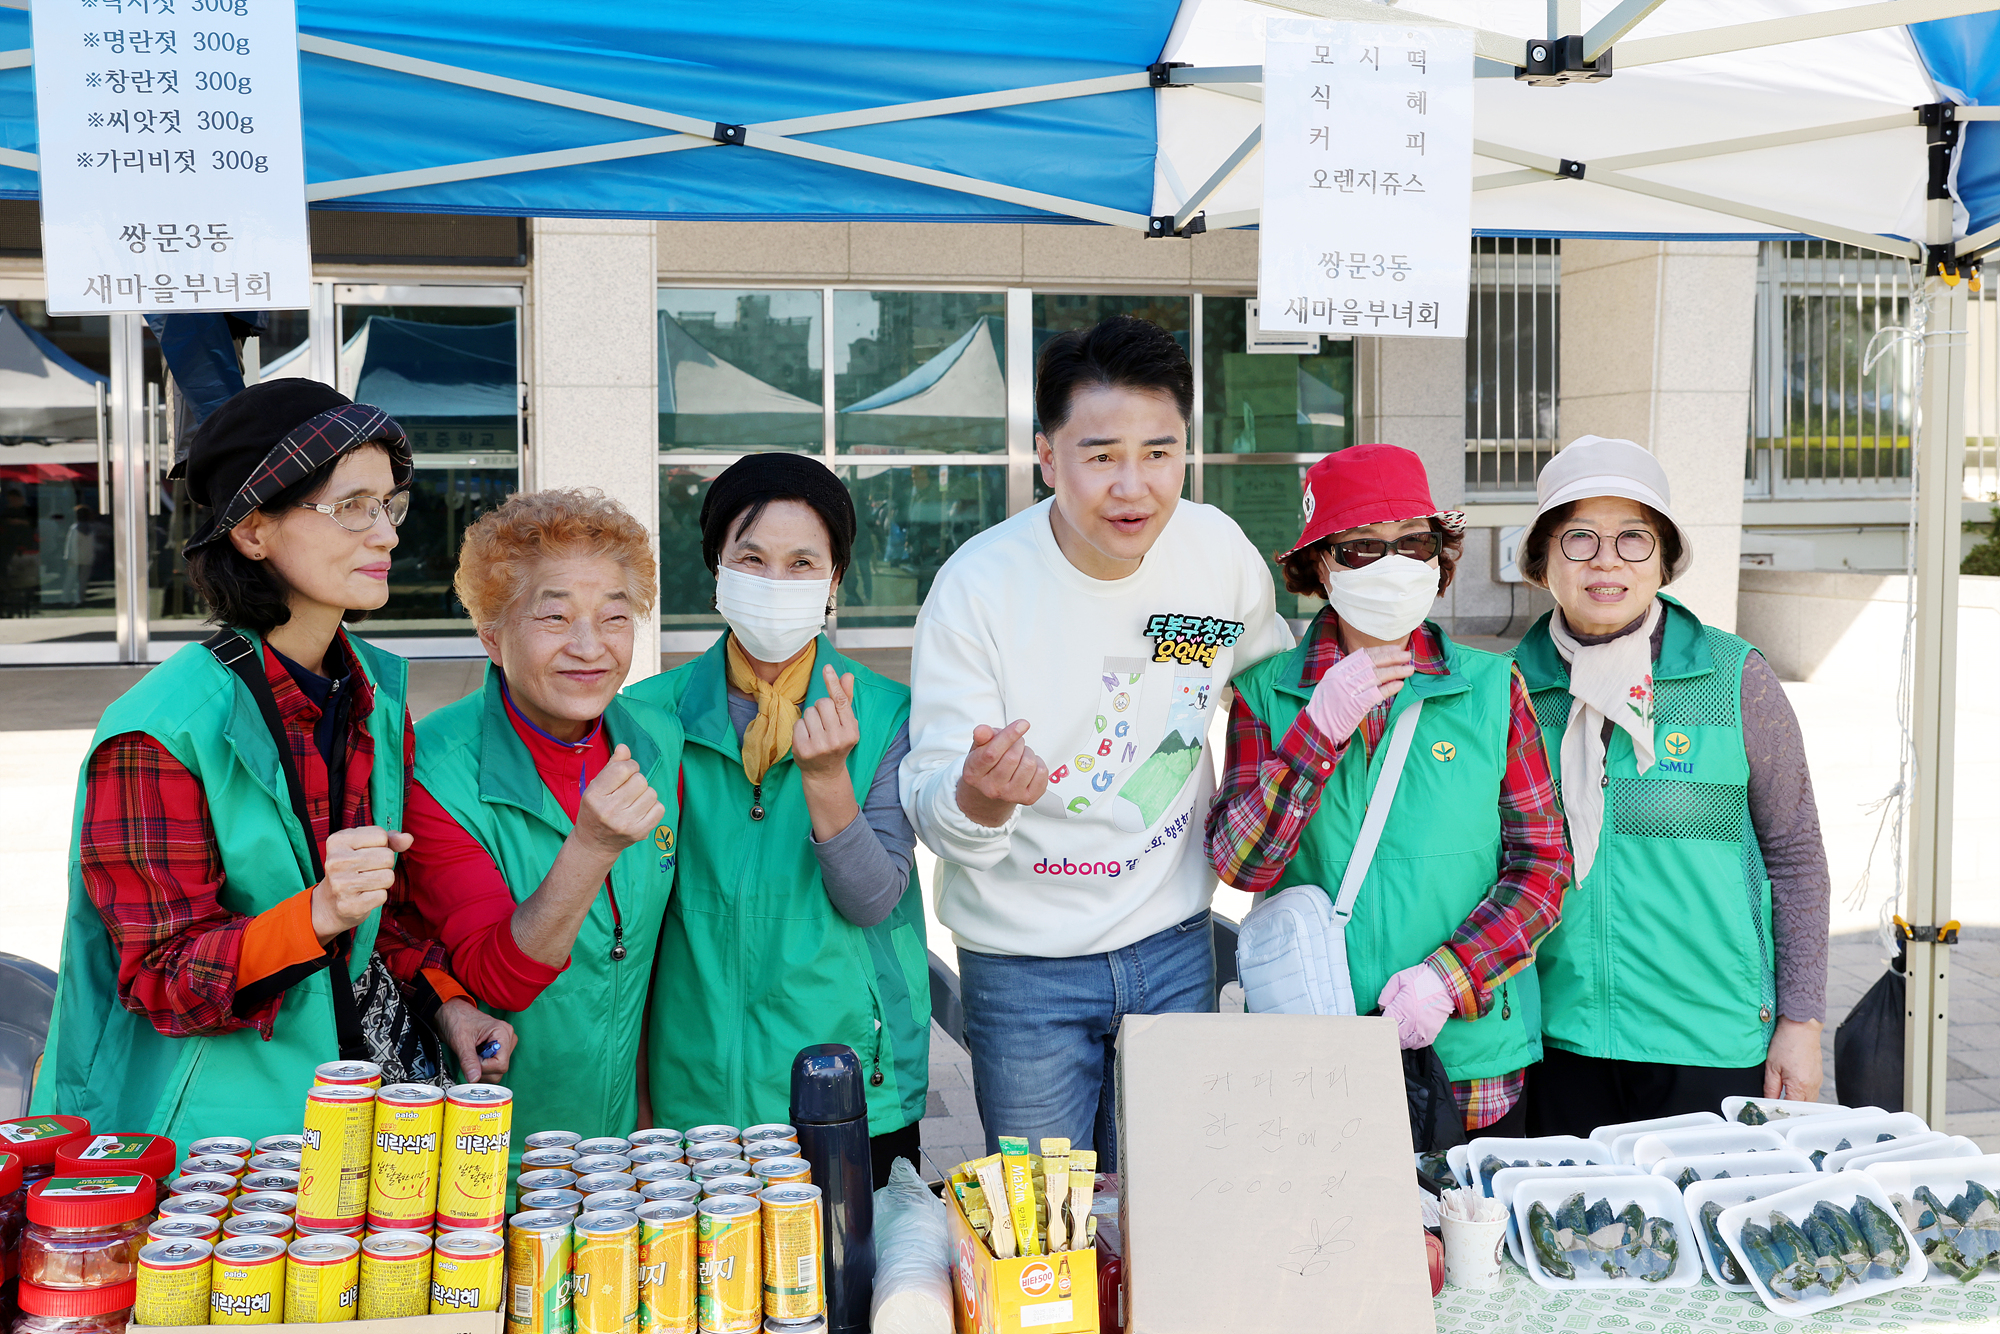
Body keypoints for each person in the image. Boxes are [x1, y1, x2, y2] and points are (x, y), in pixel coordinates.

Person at [33, 379, 514, 1146]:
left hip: (360, 1122)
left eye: (389, 505)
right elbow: (162, 977)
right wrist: (317, 912)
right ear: (254, 531)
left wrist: (447, 1002)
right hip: (209, 1156)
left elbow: (378, 919)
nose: (387, 535)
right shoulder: (161, 730)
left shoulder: (374, 697)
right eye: (351, 506)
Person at [901, 315, 1292, 1165]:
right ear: (1047, 457)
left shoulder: (1216, 553)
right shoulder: (979, 587)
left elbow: (1271, 695)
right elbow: (933, 799)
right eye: (1101, 453)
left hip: (1178, 946)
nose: (1134, 485)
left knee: (1178, 1208)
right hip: (1024, 968)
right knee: (1047, 1231)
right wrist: (978, 793)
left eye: (1160, 451)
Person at [1206, 443, 1571, 1137]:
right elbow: (1240, 864)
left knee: (1466, 1242)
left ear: (1440, 555)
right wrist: (1316, 731)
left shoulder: (1493, 688)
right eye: (1362, 549)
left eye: (1413, 544)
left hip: (1470, 1056)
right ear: (1319, 562)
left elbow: (1544, 864)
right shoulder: (1266, 692)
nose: (1394, 565)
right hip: (1314, 1053)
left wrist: (1450, 978)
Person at [624, 453, 928, 1187]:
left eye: (801, 563)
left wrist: (826, 780)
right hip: (689, 1092)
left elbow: (872, 898)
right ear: (716, 569)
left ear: (833, 582)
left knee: (848, 1289)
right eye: (751, 558)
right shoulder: (646, 717)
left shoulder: (886, 714)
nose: (774, 582)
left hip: (844, 1086)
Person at [1511, 436, 1830, 1133]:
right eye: (1579, 539)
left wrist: (1801, 1021)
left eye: (1633, 538)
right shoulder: (1510, 694)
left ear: (1662, 558)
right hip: (1560, 1041)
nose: (1605, 560)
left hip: (1712, 1042)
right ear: (1541, 561)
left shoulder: (1733, 678)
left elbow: (1797, 858)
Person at [400, 489, 681, 1149]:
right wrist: (591, 847)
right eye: (555, 617)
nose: (591, 647)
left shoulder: (657, 742)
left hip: (621, 1150)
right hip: (491, 1153)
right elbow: (499, 978)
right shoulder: (433, 768)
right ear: (492, 635)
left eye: (614, 617)